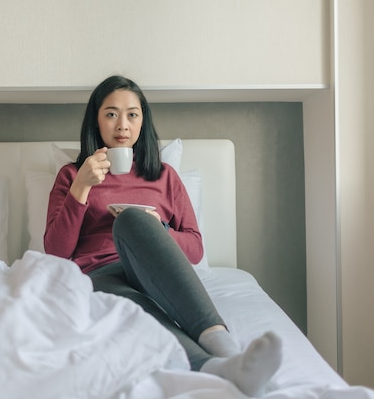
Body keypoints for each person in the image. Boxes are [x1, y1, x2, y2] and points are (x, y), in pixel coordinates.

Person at [44, 75, 282, 396]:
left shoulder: (165, 176)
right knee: (141, 308)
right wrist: (82, 186)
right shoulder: (72, 175)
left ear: (143, 121)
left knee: (133, 221)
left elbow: (195, 248)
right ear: (96, 121)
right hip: (100, 275)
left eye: (132, 114)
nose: (122, 125)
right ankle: (220, 368)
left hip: (157, 269)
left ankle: (227, 349)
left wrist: (160, 230)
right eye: (111, 114)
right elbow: (57, 254)